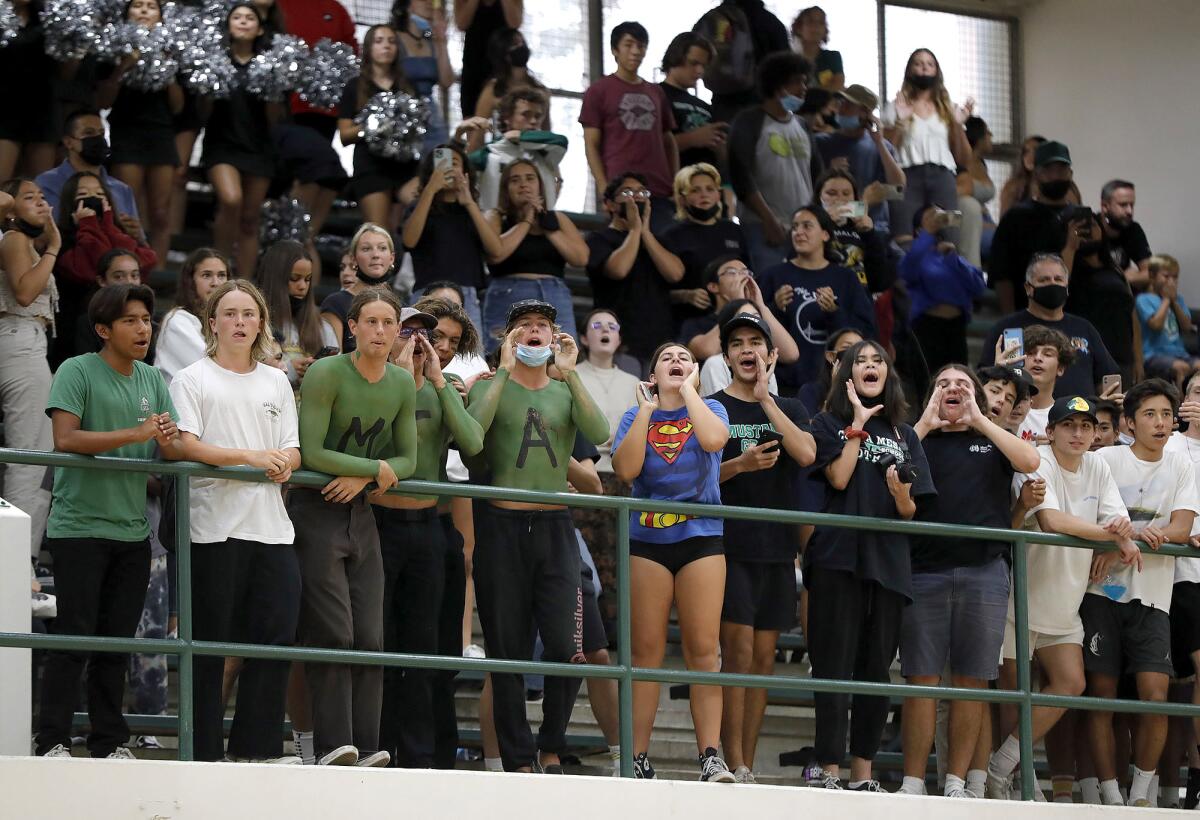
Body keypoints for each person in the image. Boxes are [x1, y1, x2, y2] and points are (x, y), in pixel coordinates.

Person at [35, 283, 182, 760]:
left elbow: (171, 445)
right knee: (74, 639)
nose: (144, 329)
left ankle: (108, 743)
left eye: (147, 320)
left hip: (133, 532)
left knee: (115, 645)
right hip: (78, 528)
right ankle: (52, 740)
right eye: (131, 321)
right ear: (103, 329)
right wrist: (137, 433)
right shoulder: (76, 370)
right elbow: (65, 439)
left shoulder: (154, 380)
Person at [465, 299, 609, 773]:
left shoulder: (565, 388)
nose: (533, 332)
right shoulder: (492, 385)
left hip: (555, 528)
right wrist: (502, 371)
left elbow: (600, 430)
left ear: (554, 338)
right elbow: (472, 435)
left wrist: (571, 375)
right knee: (506, 652)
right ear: (508, 338)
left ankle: (550, 744)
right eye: (523, 325)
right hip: (501, 528)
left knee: (570, 647)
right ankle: (519, 758)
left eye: (542, 326)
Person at [168, 279, 301, 763]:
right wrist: (250, 458)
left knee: (274, 640)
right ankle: (200, 750)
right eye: (230, 313)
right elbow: (186, 444)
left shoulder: (276, 381)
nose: (240, 322)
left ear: (261, 323)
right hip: (213, 528)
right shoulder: (191, 378)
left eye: (249, 314)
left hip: (271, 528)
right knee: (207, 649)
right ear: (213, 323)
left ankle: (257, 750)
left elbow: (293, 446)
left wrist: (285, 460)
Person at [288, 287, 418, 768]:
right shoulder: (325, 372)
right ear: (353, 328)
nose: (380, 331)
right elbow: (312, 448)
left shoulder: (403, 383)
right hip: (315, 508)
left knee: (370, 633)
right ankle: (331, 744)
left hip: (361, 512)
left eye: (389, 323)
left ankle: (366, 745)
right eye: (371, 322)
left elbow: (410, 457)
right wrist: (372, 468)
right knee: (333, 631)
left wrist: (367, 472)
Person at [987, 395, 1139, 799]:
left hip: (1065, 602)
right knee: (1011, 700)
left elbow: (1117, 520)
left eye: (1086, 426)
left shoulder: (1099, 466)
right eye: (1069, 425)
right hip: (1017, 599)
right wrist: (1116, 538)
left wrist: (1117, 537)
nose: (1078, 433)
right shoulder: (1035, 461)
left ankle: (1001, 768)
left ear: (1095, 434)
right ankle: (1020, 783)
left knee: (1071, 683)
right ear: (1050, 431)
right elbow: (1052, 521)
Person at [898, 365, 1039, 798]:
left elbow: (1030, 461)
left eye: (963, 385)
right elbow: (890, 460)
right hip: (923, 572)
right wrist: (925, 422)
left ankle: (957, 783)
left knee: (971, 681)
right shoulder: (914, 436)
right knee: (920, 682)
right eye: (943, 384)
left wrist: (981, 419)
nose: (953, 389)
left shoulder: (993, 436)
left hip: (984, 572)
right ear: (930, 395)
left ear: (976, 396)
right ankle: (913, 782)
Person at [804, 338, 935, 790]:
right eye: (860, 361)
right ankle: (829, 770)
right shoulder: (826, 422)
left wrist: (902, 497)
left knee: (876, 671)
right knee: (834, 666)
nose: (870, 366)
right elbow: (838, 478)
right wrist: (857, 427)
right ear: (847, 375)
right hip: (837, 557)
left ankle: (862, 774)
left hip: (889, 562)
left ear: (888, 373)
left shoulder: (906, 433)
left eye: (878, 360)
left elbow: (912, 509)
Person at [610, 341, 733, 782]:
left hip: (701, 537)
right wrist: (645, 411)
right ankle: (636, 758)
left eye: (685, 358)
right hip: (647, 540)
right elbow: (625, 471)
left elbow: (715, 440)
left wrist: (692, 393)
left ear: (697, 372)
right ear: (652, 374)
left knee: (704, 651)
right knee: (645, 654)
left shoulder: (713, 409)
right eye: (667, 358)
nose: (676, 362)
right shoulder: (634, 416)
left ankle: (711, 757)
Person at [375, 304, 483, 768]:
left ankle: (421, 757)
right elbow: (375, 445)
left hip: (428, 527)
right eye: (412, 333)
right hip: (377, 524)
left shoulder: (448, 388)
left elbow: (473, 444)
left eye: (438, 338)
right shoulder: (371, 378)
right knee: (379, 645)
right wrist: (399, 381)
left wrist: (438, 383)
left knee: (424, 649)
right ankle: (377, 747)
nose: (427, 344)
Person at [1081, 379, 1198, 807]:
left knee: (1155, 695)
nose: (1161, 422)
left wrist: (1144, 534)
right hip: (1100, 594)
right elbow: (1090, 515)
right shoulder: (1107, 459)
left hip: (1154, 597)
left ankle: (1142, 794)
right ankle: (1110, 794)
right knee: (1102, 696)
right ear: (1129, 422)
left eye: (1167, 414)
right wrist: (1118, 543)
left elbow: (1182, 530)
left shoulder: (1181, 465)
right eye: (1150, 414)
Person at [712, 314, 815, 784]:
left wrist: (766, 404)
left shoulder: (790, 406)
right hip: (727, 546)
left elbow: (808, 454)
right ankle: (730, 760)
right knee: (736, 652)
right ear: (727, 355)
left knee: (762, 660)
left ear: (770, 354)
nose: (747, 350)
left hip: (777, 549)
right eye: (738, 343)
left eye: (756, 342)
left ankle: (746, 763)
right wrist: (740, 464)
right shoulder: (711, 407)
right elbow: (694, 481)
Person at [96, 0, 183, 268]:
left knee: (160, 212)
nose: (144, 10)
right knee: (126, 208)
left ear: (161, 15)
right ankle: (126, 265)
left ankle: (156, 268)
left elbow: (178, 106)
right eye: (138, 5)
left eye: (151, 6)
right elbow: (103, 100)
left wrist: (168, 70)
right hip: (127, 131)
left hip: (160, 133)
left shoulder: (172, 48)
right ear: (126, 13)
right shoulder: (114, 47)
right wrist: (124, 66)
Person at [756, 205, 876, 394]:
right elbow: (753, 330)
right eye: (795, 227)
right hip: (785, 384)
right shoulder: (773, 276)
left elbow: (866, 332)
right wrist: (775, 309)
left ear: (825, 235)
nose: (799, 232)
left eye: (807, 226)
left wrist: (834, 313)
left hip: (839, 384)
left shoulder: (846, 278)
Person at [0, 179, 59, 561]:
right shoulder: (13, 239)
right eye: (29, 197)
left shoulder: (18, 242)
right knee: (32, 458)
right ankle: (17, 564)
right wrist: (53, 247)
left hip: (20, 340)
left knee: (32, 455)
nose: (41, 202)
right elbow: (24, 293)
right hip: (20, 339)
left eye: (43, 196)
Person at [728, 51, 823, 275]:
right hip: (762, 227)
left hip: (803, 226)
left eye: (804, 81)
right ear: (777, 85)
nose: (803, 88)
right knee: (770, 295)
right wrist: (768, 219)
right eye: (796, 82)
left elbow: (817, 175)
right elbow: (741, 176)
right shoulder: (749, 121)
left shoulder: (802, 125)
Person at [580, 21, 678, 235]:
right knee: (626, 248)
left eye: (641, 46)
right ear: (615, 49)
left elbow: (669, 140)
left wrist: (675, 183)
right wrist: (604, 186)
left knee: (665, 246)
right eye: (629, 44)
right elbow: (591, 144)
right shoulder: (599, 91)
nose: (635, 51)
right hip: (620, 189)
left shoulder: (656, 92)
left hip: (659, 189)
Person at [979, 253, 1121, 400]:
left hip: (1079, 418)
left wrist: (1105, 409)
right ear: (1028, 288)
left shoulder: (1084, 328)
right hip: (1022, 417)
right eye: (1044, 280)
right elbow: (984, 378)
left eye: (1058, 279)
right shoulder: (1007, 327)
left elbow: (1108, 376)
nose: (1053, 284)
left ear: (1067, 287)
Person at [481, 158, 588, 351]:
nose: (523, 184)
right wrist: (527, 220)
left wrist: (547, 225)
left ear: (541, 185)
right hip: (508, 293)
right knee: (502, 354)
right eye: (515, 180)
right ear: (506, 189)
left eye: (530, 178)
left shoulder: (557, 218)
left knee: (562, 355)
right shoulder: (496, 216)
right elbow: (496, 253)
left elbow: (580, 258)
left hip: (554, 294)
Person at [203, 4, 278, 278]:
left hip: (259, 147)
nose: (243, 22)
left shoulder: (270, 63)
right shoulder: (214, 61)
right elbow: (202, 111)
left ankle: (244, 284)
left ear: (259, 28)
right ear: (229, 25)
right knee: (231, 200)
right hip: (222, 144)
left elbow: (276, 118)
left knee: (249, 221)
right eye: (237, 17)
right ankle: (218, 271)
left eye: (250, 18)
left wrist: (274, 88)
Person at [53, 170, 157, 365]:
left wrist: (109, 224)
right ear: (70, 202)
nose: (94, 200)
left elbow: (131, 259)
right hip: (77, 332)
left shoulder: (120, 233)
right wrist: (87, 225)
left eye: (100, 195)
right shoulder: (61, 240)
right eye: (83, 195)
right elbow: (96, 262)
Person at [584, 173, 684, 369]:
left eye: (642, 192)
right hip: (618, 341)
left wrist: (645, 232)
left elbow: (675, 274)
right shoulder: (599, 239)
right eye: (627, 192)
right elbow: (618, 270)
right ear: (610, 204)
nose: (636, 197)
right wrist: (635, 230)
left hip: (658, 340)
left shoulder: (658, 241)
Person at [401, 141, 500, 335]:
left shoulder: (471, 211)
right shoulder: (420, 207)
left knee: (470, 358)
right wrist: (430, 190)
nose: (449, 168)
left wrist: (469, 202)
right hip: (426, 293)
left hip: (467, 295)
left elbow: (495, 249)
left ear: (465, 173)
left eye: (455, 162)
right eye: (443, 163)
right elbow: (409, 241)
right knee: (421, 353)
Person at [989, 140, 1089, 314]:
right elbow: (1002, 276)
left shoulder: (1082, 219)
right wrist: (1011, 323)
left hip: (1075, 320)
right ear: (1036, 174)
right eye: (1049, 171)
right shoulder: (1016, 219)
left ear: (1070, 174)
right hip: (1028, 317)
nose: (1056, 176)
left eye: (1061, 171)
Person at [881, 49, 969, 244]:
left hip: (942, 175)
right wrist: (899, 123)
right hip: (905, 176)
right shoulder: (895, 105)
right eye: (918, 63)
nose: (924, 67)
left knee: (950, 233)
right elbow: (885, 149)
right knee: (902, 236)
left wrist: (957, 124)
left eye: (930, 64)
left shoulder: (949, 108)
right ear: (909, 69)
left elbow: (963, 158)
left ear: (937, 71)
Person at [337, 24, 420, 230]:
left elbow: (418, 128)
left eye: (392, 42)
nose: (386, 46)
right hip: (371, 168)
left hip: (405, 166)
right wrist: (375, 124)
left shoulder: (407, 86)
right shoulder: (355, 87)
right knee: (379, 234)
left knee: (424, 213)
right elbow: (344, 136)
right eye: (379, 41)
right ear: (368, 48)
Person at [901, 204, 986, 373]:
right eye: (930, 217)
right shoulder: (914, 256)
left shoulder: (952, 256)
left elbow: (978, 287)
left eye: (939, 215)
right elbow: (908, 271)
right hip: (927, 329)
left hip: (956, 328)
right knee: (928, 385)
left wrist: (954, 259)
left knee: (959, 380)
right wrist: (927, 235)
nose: (936, 219)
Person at [814, 84, 906, 236]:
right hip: (834, 228)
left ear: (865, 114)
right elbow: (814, 190)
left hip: (874, 227)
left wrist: (879, 143)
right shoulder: (821, 143)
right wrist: (829, 172)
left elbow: (899, 188)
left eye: (848, 106)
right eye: (841, 104)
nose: (841, 110)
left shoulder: (881, 147)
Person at [662, 163, 747, 329]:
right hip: (691, 322)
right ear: (682, 198)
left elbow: (749, 272)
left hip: (735, 316)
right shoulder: (671, 235)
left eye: (710, 189)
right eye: (695, 190)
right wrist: (685, 296)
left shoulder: (733, 230)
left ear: (718, 195)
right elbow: (657, 291)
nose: (704, 195)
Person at [682, 255, 797, 368]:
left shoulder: (758, 317)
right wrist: (737, 305)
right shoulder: (695, 324)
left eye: (745, 272)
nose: (742, 276)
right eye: (732, 272)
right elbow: (708, 352)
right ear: (713, 286)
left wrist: (760, 306)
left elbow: (790, 355)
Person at [1065, 212, 1139, 386]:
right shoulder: (1069, 270)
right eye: (1082, 228)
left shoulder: (1115, 270)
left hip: (1121, 356)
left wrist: (1138, 359)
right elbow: (1061, 290)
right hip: (1084, 357)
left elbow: (1132, 316)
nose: (1088, 231)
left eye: (1092, 225)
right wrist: (1070, 246)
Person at [465, 87, 566, 210]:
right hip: (496, 226)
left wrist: (519, 136)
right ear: (507, 117)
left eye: (538, 116)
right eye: (526, 115)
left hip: (540, 225)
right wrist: (458, 135)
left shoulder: (546, 152)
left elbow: (561, 141)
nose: (533, 121)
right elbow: (458, 165)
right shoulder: (490, 153)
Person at [256, 240, 337, 388]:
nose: (302, 286)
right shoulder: (256, 326)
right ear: (276, 279)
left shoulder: (323, 328)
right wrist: (289, 370)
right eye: (294, 279)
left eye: (307, 280)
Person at [35, 109, 139, 220]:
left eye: (102, 133)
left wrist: (134, 233)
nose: (98, 139)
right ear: (68, 142)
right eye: (89, 133)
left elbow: (138, 235)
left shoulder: (122, 190)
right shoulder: (46, 184)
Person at [575, 309, 641, 474]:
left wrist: (621, 439)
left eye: (612, 327)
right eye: (597, 325)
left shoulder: (633, 382)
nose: (605, 330)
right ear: (584, 338)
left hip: (621, 470)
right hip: (582, 469)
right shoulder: (570, 375)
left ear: (618, 340)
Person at [155, 249, 231, 385]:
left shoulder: (230, 321)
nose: (216, 283)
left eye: (221, 275)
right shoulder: (177, 321)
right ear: (190, 281)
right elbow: (211, 369)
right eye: (206, 275)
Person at [813, 168, 893, 295]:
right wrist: (823, 224)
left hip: (859, 303)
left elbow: (880, 282)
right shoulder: (808, 228)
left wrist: (870, 234)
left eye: (846, 194)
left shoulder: (863, 229)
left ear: (854, 198)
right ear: (819, 197)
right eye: (831, 193)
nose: (839, 199)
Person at [321, 223, 397, 353]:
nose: (375, 255)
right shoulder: (335, 304)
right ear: (353, 259)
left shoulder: (400, 304)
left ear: (392, 258)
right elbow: (332, 357)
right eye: (366, 249)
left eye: (382, 248)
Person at [393, 0, 454, 155]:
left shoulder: (431, 43)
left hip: (432, 117)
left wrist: (441, 41)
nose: (429, 3)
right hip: (402, 115)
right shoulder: (393, 39)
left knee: (442, 163)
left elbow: (447, 81)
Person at [658, 32, 725, 173]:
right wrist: (692, 139)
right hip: (672, 185)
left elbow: (723, 159)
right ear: (676, 57)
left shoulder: (705, 106)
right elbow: (647, 147)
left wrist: (721, 147)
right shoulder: (655, 96)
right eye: (694, 63)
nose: (700, 71)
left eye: (704, 66)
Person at [455, 0, 523, 119]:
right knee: (472, 116)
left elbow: (515, 23)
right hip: (474, 61)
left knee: (508, 115)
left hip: (504, 62)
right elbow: (461, 23)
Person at [699, 300, 781, 398]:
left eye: (755, 316)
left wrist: (765, 399)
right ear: (726, 359)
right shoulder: (715, 364)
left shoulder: (767, 370)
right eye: (737, 344)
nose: (746, 349)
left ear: (770, 356)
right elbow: (720, 410)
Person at [1138, 255, 1197, 387]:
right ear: (1152, 276)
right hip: (1153, 355)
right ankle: (1182, 407)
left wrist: (1174, 302)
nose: (1171, 282)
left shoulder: (1178, 299)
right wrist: (1166, 300)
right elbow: (1156, 325)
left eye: (1175, 277)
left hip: (1179, 352)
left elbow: (1187, 327)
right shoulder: (1144, 299)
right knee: (1181, 368)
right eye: (1166, 276)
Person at [472, 27, 547, 128]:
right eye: (515, 44)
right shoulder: (492, 90)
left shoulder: (540, 90)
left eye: (522, 42)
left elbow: (547, 132)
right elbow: (478, 133)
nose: (521, 46)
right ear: (504, 53)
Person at [74, 249, 143, 354]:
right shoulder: (88, 323)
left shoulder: (150, 320)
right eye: (119, 277)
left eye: (134, 275)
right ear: (102, 281)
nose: (129, 282)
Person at [1014, 325, 1074, 441]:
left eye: (1047, 354)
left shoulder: (1066, 417)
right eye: (1031, 353)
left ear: (1060, 368)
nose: (1038, 358)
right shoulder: (1001, 407)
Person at [957, 116, 997, 267]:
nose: (991, 136)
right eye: (987, 133)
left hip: (988, 221)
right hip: (970, 222)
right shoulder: (960, 164)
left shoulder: (981, 164)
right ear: (978, 138)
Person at [1099, 179, 1152, 288]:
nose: (1130, 211)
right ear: (1105, 206)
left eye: (1132, 205)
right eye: (1123, 205)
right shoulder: (1090, 228)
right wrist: (1123, 277)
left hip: (1122, 295)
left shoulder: (1133, 229)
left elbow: (1151, 273)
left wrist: (1132, 278)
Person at [790, 6, 843, 90]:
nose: (816, 27)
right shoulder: (790, 59)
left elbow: (837, 86)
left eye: (821, 22)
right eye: (810, 22)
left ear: (825, 30)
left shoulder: (832, 57)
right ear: (799, 28)